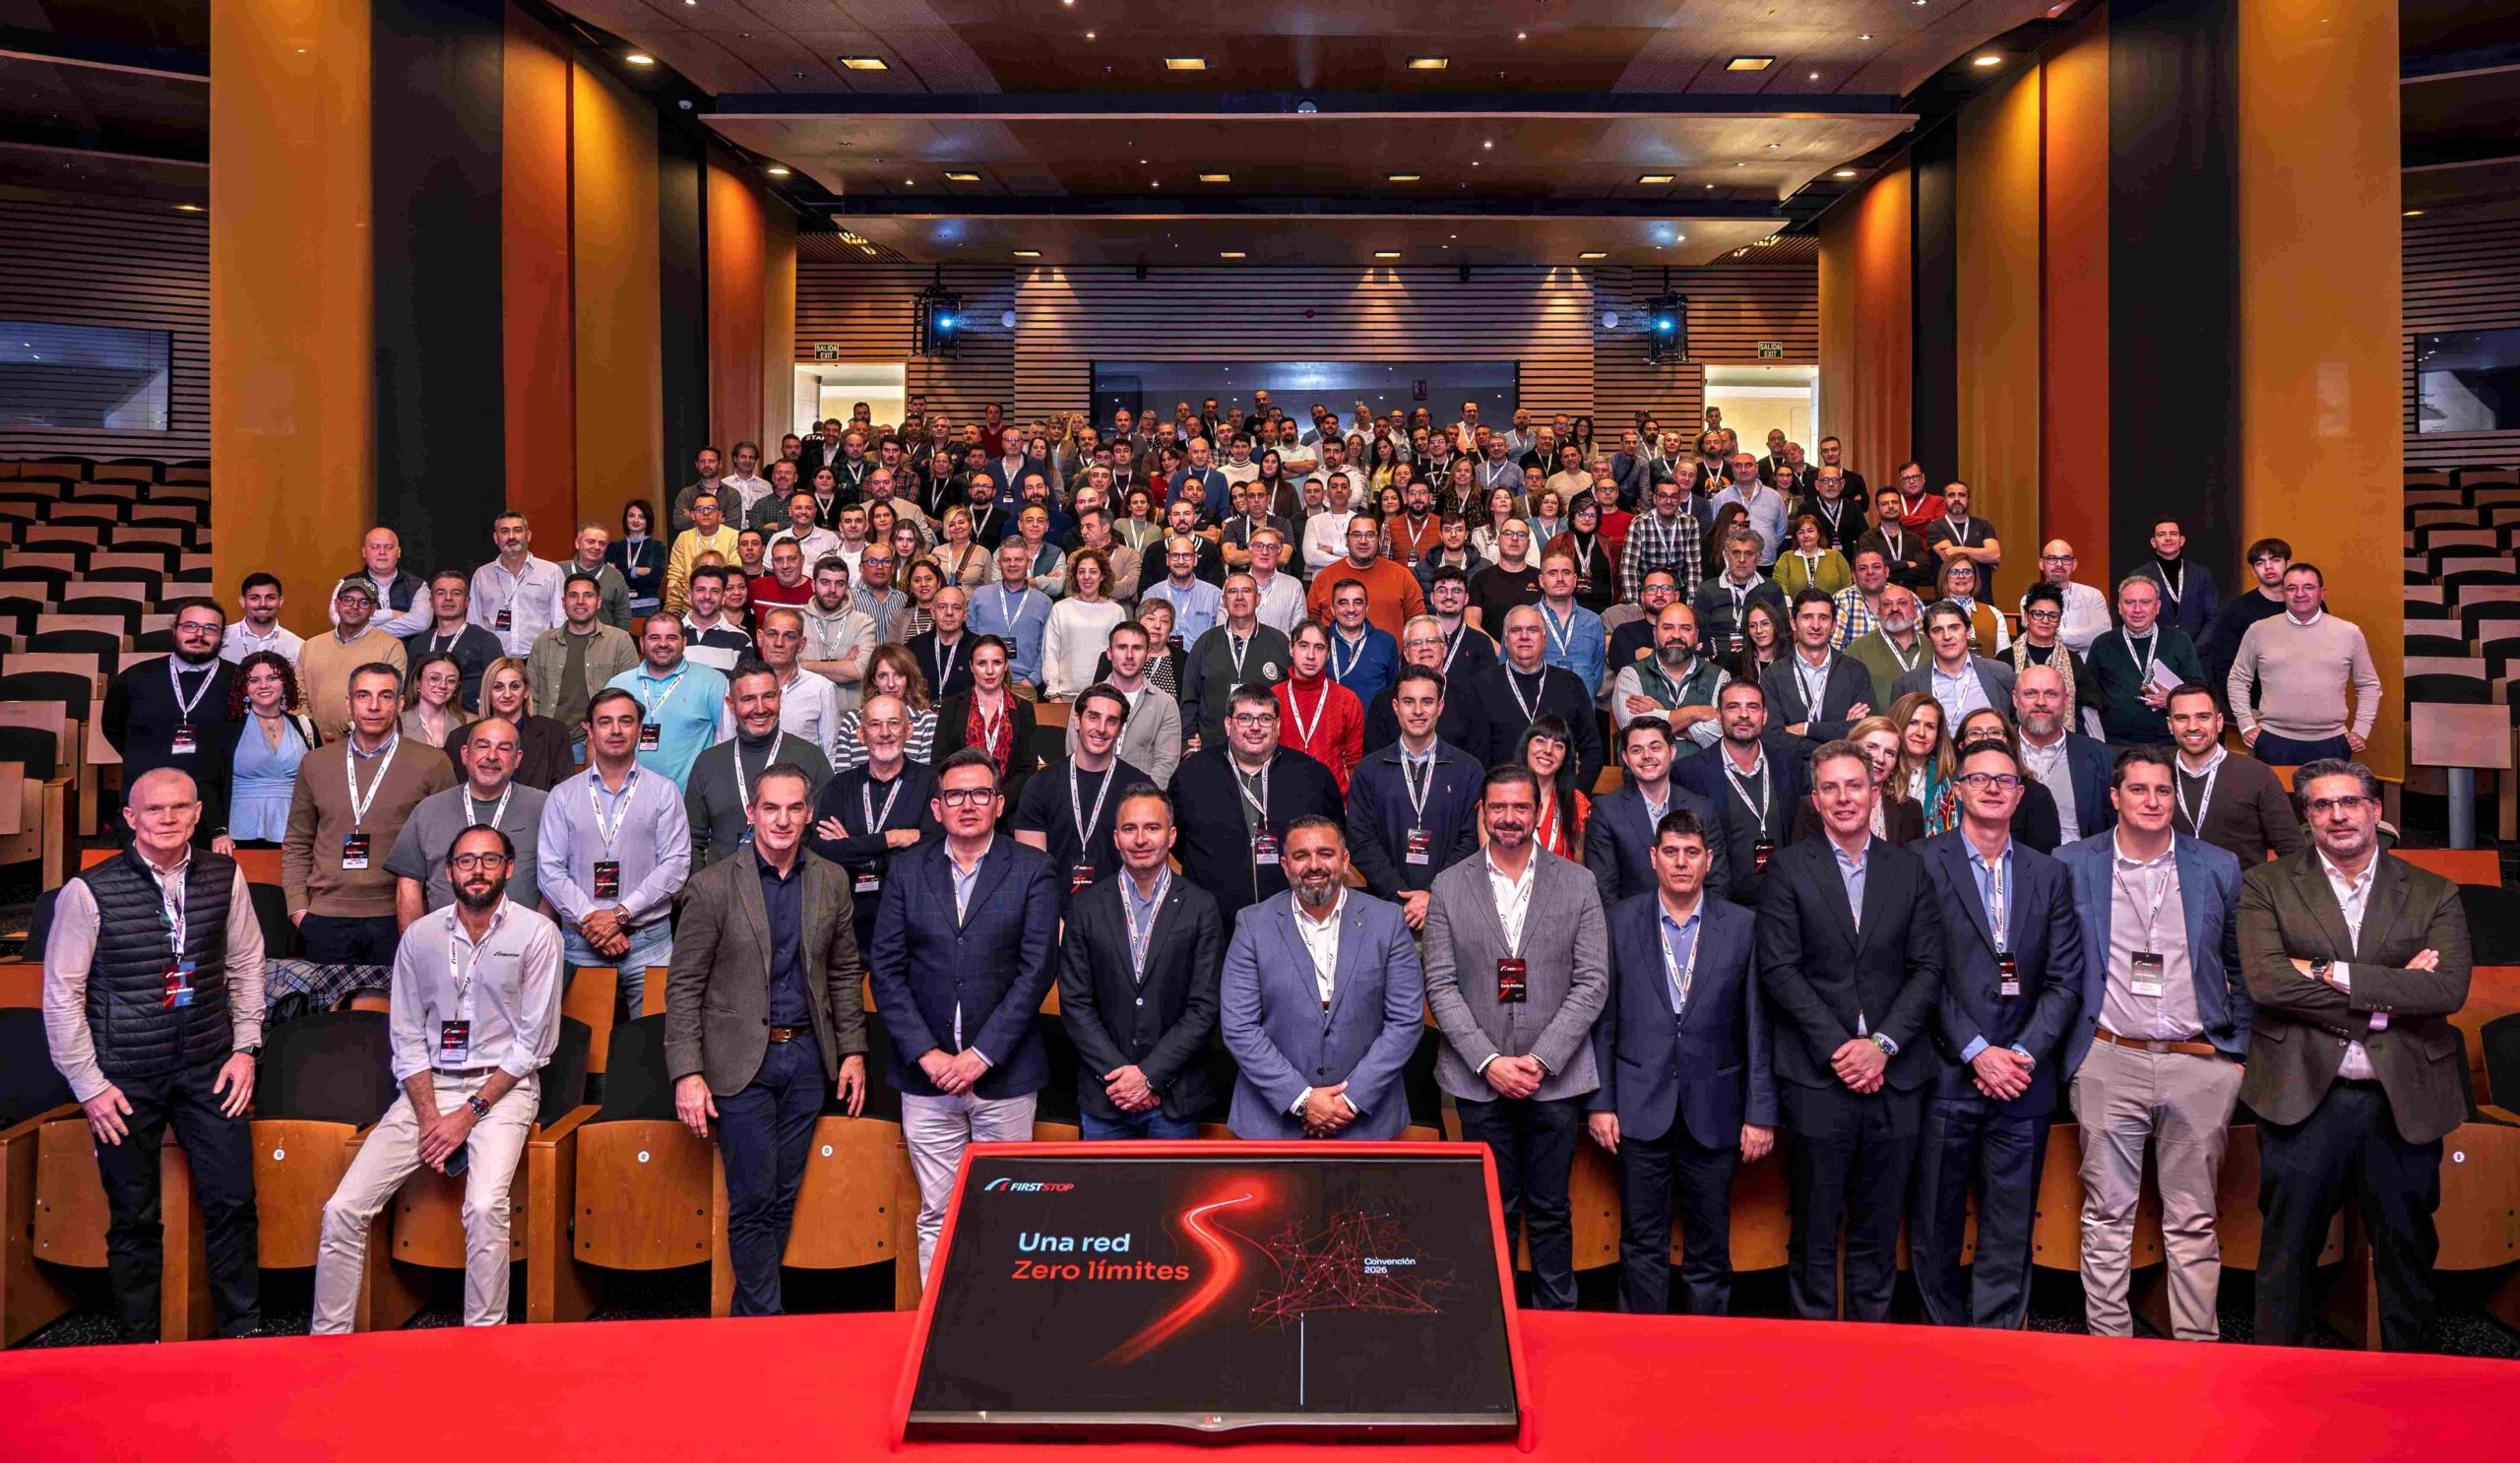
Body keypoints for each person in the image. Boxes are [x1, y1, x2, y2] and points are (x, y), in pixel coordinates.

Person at [2238, 759, 2473, 1353]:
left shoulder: (2433, 891)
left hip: (2404, 1100)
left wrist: (2327, 971)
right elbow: (2268, 984)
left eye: (2349, 802)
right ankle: (2276, 1381)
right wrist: (2391, 994)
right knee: (2287, 1258)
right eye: (2322, 805)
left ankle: (2412, 1385)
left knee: (2407, 1259)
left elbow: (2446, 991)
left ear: (2375, 809)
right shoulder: (2266, 885)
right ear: (2307, 817)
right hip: (2301, 1096)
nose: (2337, 815)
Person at [42, 768, 265, 1342]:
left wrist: (245, 1048)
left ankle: (242, 1335)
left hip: (210, 1066)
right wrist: (89, 1085)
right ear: (130, 817)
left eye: (180, 807)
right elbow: (62, 995)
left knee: (234, 1204)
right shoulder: (88, 891)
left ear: (197, 814)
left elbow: (246, 965)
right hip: (122, 1080)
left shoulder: (226, 876)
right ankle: (137, 1345)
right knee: (134, 1218)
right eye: (154, 809)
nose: (168, 819)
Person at [309, 824, 561, 1332]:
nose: (478, 870)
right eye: (466, 861)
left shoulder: (537, 934)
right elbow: (405, 1034)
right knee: (342, 1208)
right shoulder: (421, 937)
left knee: (485, 1206)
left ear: (509, 868)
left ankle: (483, 1339)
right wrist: (429, 1115)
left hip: (503, 1091)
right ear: (448, 872)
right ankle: (327, 1340)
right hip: (426, 1089)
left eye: (490, 860)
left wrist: (467, 1115)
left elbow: (533, 1043)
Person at [2053, 747, 2248, 1342]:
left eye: (2163, 791)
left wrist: (2235, 1054)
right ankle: (2110, 1347)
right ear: (2115, 797)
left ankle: (2197, 1348)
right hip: (2108, 1057)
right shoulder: (2072, 863)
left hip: (2198, 1062)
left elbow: (2242, 966)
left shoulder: (2216, 866)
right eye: (2138, 790)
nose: (2152, 801)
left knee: (2194, 1219)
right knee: (2106, 1215)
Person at [666, 762, 868, 1316]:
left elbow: (843, 973)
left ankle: (749, 1319)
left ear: (809, 814)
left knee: (782, 1195)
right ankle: (765, 1324)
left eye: (794, 808)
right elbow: (683, 987)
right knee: (754, 1198)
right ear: (751, 813)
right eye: (771, 808)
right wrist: (687, 1073)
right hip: (738, 1064)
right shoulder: (712, 886)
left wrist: (853, 1051)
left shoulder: (831, 880)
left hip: (806, 1060)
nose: (782, 820)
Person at [1757, 738, 1947, 1322]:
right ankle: (1814, 1356)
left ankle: (1873, 1352)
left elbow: (1928, 968)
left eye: (1854, 786)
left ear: (1875, 791)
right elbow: (1779, 970)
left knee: (1877, 1231)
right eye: (1831, 788)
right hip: (1819, 1077)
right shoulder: (1788, 868)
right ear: (1815, 800)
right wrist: (1843, 1049)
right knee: (1813, 1231)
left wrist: (1881, 1046)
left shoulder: (1909, 868)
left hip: (1896, 1076)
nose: (1844, 798)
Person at [1909, 740, 2085, 1330]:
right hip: (1947, 1073)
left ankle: (1998, 1343)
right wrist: (1978, 1052)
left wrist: (2022, 1055)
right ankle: (1942, 1339)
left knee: (2011, 1226)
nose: (1991, 788)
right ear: (1957, 790)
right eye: (1979, 778)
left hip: (2023, 1081)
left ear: (2020, 793)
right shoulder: (1920, 862)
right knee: (1935, 1222)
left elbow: (2065, 980)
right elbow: (1918, 973)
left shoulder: (2049, 872)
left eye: (2004, 780)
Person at [868, 748, 1061, 1281]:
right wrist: (928, 1056)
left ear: (999, 804)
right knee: (938, 1213)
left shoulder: (1033, 870)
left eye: (980, 793)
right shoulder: (907, 871)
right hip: (926, 1079)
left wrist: (980, 1055)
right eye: (955, 795)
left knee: (1008, 1214)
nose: (968, 804)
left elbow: (1036, 973)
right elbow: (886, 972)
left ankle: (1002, 1321)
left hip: (1004, 1075)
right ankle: (941, 1322)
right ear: (937, 808)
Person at [1422, 764, 1610, 1308]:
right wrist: (1489, 1062)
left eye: (1521, 807)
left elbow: (1593, 981)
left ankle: (1558, 1320)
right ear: (1482, 812)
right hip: (1478, 1081)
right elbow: (1440, 984)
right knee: (1490, 1209)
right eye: (1499, 807)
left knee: (1551, 1209)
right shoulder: (1448, 885)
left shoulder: (1578, 882)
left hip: (1555, 1079)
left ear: (1538, 811)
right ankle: (1491, 1320)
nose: (1509, 817)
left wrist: (1541, 1059)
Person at [1587, 806, 1774, 1316]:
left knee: (1709, 1247)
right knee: (1641, 1242)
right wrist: (1600, 1102)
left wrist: (1760, 1112)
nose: (1681, 863)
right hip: (1638, 1107)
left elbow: (1757, 1025)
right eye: (1671, 852)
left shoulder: (1743, 926)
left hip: (1715, 1108)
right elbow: (1605, 1018)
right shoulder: (1619, 921)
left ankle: (1706, 1350)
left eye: (1692, 853)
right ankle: (1642, 1347)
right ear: (1653, 858)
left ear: (1709, 860)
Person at [1218, 817, 1425, 1140]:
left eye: (1326, 853)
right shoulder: (1252, 925)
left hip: (1367, 1124)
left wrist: (1350, 1100)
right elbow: (1239, 1026)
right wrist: (1302, 1100)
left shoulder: (1388, 921)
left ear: (1344, 860)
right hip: (1272, 1126)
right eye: (1301, 856)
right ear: (1285, 866)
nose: (1314, 865)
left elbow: (1406, 1021)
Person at [1056, 784, 1226, 1139]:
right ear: (1116, 838)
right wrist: (1123, 1078)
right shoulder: (1085, 907)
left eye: (1152, 827)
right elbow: (1075, 1003)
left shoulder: (1201, 907)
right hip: (1106, 1095)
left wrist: (1149, 1076)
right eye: (1130, 828)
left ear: (1171, 836)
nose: (1141, 839)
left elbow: (1203, 1007)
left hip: (1174, 1098)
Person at [284, 662, 459, 964]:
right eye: (363, 696)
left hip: (399, 917)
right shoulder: (315, 763)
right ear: (349, 704)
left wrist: (431, 917)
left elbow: (448, 848)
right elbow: (298, 841)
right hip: (325, 917)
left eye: (385, 696)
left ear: (400, 704)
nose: (374, 706)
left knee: (393, 998)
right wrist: (299, 909)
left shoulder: (432, 763)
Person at [537, 689, 692, 1012]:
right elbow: (550, 871)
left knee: (652, 1039)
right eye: (605, 722)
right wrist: (593, 921)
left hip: (648, 941)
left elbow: (676, 865)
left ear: (639, 729)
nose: (616, 730)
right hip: (582, 942)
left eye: (626, 721)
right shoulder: (562, 796)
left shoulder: (665, 792)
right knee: (584, 1042)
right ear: (589, 730)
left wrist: (620, 914)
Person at [1173, 683, 1346, 923]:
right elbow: (1178, 842)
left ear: (1278, 725)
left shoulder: (1313, 776)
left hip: (1294, 920)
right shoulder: (1192, 775)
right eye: (1244, 718)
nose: (1255, 727)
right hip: (1212, 922)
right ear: (1228, 724)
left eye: (1265, 718)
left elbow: (1334, 838)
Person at [1345, 666, 1483, 930]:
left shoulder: (1469, 770)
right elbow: (1360, 842)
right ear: (1396, 707)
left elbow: (1471, 841)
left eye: (1427, 702)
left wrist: (1434, 894)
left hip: (1450, 913)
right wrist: (1403, 897)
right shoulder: (1368, 771)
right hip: (1385, 913)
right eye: (1409, 702)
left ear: (1440, 707)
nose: (1418, 711)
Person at [809, 693, 939, 952]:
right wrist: (893, 838)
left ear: (909, 730)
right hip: (847, 918)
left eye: (894, 723)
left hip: (912, 917)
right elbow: (823, 850)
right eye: (875, 724)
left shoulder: (932, 782)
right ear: (861, 734)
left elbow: (931, 851)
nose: (885, 733)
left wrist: (853, 847)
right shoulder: (840, 786)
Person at [103, 598, 236, 847]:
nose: (199, 634)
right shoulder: (135, 677)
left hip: (213, 811)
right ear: (175, 630)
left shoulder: (239, 680)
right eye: (190, 626)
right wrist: (147, 757)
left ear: (222, 637)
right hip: (146, 803)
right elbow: (112, 727)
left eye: (210, 628)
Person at [387, 717, 546, 924]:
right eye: (483, 746)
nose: (492, 756)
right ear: (465, 754)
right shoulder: (429, 810)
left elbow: (555, 880)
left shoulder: (544, 807)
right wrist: (417, 941)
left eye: (504, 748)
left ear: (517, 759)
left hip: (522, 940)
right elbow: (409, 886)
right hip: (444, 939)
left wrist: (541, 935)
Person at [687, 661, 837, 870]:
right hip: (723, 887)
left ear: (780, 698)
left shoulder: (811, 758)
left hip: (793, 883)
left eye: (768, 696)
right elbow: (692, 841)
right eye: (748, 699)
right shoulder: (708, 763)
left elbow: (826, 838)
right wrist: (702, 886)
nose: (760, 708)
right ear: (731, 704)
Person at [2228, 562, 2381, 765]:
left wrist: (2361, 729)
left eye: (2308, 587)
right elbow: (2238, 679)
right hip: (2272, 740)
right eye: (2292, 588)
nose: (2300, 594)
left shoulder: (2349, 633)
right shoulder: (2259, 630)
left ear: (2321, 593)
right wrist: (2246, 725)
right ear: (2283, 593)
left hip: (2332, 742)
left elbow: (2369, 685)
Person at [1013, 685, 1149, 907]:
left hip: (1122, 914)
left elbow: (1147, 869)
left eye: (1111, 721)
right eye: (1093, 717)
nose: (1101, 729)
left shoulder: (1140, 788)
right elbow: (1031, 869)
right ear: (1077, 720)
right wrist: (1051, 921)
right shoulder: (1040, 785)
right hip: (1055, 914)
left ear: (1120, 730)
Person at [1673, 680, 1803, 910]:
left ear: (1764, 716)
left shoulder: (1789, 764)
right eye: (1733, 707)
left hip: (1783, 904)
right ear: (1718, 715)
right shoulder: (1689, 773)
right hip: (1724, 907)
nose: (1743, 714)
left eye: (1752, 707)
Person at [1586, 715, 1730, 908]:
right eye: (1637, 750)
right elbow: (1605, 888)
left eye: (1655, 748)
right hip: (1632, 922)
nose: (1647, 756)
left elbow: (1717, 883)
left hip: (1697, 921)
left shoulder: (1703, 809)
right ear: (1626, 758)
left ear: (1672, 752)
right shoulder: (1606, 811)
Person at [2164, 683, 2301, 864]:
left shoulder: (2257, 775)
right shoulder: (2156, 773)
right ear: (2170, 725)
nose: (2193, 726)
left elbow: (2291, 850)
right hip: (2172, 881)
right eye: (2182, 718)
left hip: (2242, 882)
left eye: (2203, 717)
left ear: (2219, 722)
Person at [1474, 604, 1605, 788]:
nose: (1524, 636)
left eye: (1532, 630)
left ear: (1545, 639)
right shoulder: (1481, 685)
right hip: (1501, 795)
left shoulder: (1571, 684)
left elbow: (1592, 751)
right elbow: (1474, 755)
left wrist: (1572, 795)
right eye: (1516, 630)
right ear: (1506, 640)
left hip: (1558, 795)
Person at [604, 615, 730, 790]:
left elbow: (727, 742)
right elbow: (599, 742)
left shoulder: (713, 682)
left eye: (671, 637)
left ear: (684, 642)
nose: (662, 644)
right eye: (654, 637)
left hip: (690, 798)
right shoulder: (618, 684)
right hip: (626, 796)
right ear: (642, 643)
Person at [525, 573, 638, 767]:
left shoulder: (620, 641)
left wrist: (598, 734)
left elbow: (631, 696)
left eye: (588, 595)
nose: (580, 601)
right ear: (563, 602)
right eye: (573, 595)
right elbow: (531, 697)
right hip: (547, 741)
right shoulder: (543, 642)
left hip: (596, 742)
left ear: (599, 601)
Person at [213, 651, 319, 850]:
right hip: (237, 835)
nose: (263, 685)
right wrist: (218, 831)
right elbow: (211, 783)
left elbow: (319, 784)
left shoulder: (306, 727)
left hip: (298, 832)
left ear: (285, 682)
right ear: (244, 687)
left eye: (272, 678)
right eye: (254, 680)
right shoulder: (227, 729)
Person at [2085, 575, 2207, 747]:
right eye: (2130, 602)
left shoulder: (2179, 641)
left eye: (2145, 602)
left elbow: (2200, 689)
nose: (2137, 609)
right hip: (2116, 745)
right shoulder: (2102, 643)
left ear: (2157, 607)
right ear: (2120, 607)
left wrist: (2173, 699)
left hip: (2170, 743)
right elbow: (2088, 695)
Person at [930, 634, 1038, 818]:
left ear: (1006, 666)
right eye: (982, 663)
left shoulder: (1023, 709)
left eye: (997, 663)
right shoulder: (951, 707)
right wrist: (968, 800)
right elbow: (940, 762)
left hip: (1008, 812)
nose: (990, 671)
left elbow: (1027, 768)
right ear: (971, 667)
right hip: (962, 808)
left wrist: (996, 803)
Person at [2011, 663, 2115, 844]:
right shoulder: (1996, 751)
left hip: (2077, 859)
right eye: (2030, 694)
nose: (2041, 702)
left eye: (2051, 694)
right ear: (2015, 699)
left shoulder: (2101, 756)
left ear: (2066, 701)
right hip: (2011, 859)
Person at [301, 577, 411, 742]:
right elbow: (298, 697)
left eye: (364, 602)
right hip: (312, 741)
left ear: (373, 609)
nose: (354, 606)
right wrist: (313, 734)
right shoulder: (310, 646)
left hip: (365, 742)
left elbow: (389, 700)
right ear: (337, 604)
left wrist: (347, 736)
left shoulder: (391, 647)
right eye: (348, 600)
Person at [1760, 589, 1874, 747]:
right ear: (1793, 623)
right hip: (1795, 763)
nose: (1815, 626)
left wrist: (1804, 728)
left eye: (1823, 618)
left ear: (1833, 625)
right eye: (1807, 617)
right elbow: (1773, 737)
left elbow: (1866, 730)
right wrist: (1839, 735)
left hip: (1844, 762)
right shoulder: (1773, 676)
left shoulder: (1856, 671)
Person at [1608, 600, 1725, 746]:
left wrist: (1661, 713)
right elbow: (1637, 734)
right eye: (1668, 628)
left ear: (1696, 635)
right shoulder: (1630, 675)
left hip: (1704, 763)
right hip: (1648, 762)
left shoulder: (1719, 676)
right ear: (1655, 633)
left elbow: (1723, 736)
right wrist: (1697, 712)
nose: (1676, 635)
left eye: (1685, 628)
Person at [1276, 619, 1365, 795]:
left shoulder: (1348, 700)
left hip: (1333, 801)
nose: (1311, 655)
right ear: (1291, 649)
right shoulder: (1273, 698)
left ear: (1328, 653)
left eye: (1319, 648)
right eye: (1303, 646)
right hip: (1282, 798)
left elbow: (1355, 762)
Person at [2202, 537, 2294, 705]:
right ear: (2254, 571)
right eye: (2260, 563)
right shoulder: (2237, 611)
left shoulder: (2306, 604)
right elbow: (2224, 667)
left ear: (2288, 564)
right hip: (2258, 707)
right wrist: (2244, 708)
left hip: (2306, 703)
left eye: (2275, 560)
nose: (2268, 566)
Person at [400, 570, 506, 713]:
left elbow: (501, 688)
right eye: (441, 593)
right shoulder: (418, 643)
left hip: (472, 721)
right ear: (431, 601)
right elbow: (409, 692)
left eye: (456, 593)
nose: (448, 598)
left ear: (467, 602)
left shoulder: (486, 641)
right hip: (424, 721)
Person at [746, 607, 842, 761]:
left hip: (805, 775)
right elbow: (725, 744)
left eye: (789, 637)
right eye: (772, 634)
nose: (779, 643)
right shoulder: (739, 687)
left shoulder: (822, 689)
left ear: (801, 644)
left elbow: (831, 753)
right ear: (760, 637)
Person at [470, 510, 566, 659]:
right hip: (494, 662)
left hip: (538, 661)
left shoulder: (551, 572)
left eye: (517, 530)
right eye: (504, 531)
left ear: (528, 535)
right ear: (496, 538)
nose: (511, 537)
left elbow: (560, 623)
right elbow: (474, 624)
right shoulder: (482, 575)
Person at [967, 538, 1053, 694]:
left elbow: (1047, 647)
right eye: (1006, 560)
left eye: (1018, 559)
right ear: (999, 564)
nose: (1012, 564)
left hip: (1024, 685)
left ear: (1028, 563)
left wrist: (1032, 680)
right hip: (983, 682)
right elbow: (968, 640)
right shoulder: (980, 596)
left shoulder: (1044, 602)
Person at [1041, 547, 1127, 700]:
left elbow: (1121, 655)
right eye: (1081, 572)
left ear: (1102, 575)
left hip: (1105, 695)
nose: (1087, 577)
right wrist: (1053, 693)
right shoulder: (1060, 609)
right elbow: (1050, 653)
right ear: (1075, 576)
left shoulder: (1116, 611)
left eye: (1093, 572)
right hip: (1066, 694)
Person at [1692, 527, 1787, 664]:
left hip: (1762, 665)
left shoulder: (1772, 589)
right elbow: (1697, 635)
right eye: (1736, 553)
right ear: (1726, 555)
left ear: (1759, 557)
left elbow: (1785, 634)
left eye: (1749, 553)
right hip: (1716, 665)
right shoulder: (1707, 590)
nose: (1742, 559)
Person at [2132, 518, 2219, 647]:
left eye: (2173, 534)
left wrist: (2194, 650)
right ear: (2153, 542)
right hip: (2154, 651)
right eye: (2161, 534)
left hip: (2197, 652)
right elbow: (2135, 618)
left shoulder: (2202, 575)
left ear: (2181, 540)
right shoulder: (2138, 576)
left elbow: (2212, 618)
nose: (2168, 538)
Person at [340, 525, 432, 639]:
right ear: (364, 552)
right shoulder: (347, 583)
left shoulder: (418, 585)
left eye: (389, 547)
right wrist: (392, 614)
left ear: (398, 552)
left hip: (404, 650)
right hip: (358, 649)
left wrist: (369, 634)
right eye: (375, 547)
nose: (382, 552)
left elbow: (421, 622)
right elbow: (339, 619)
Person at [663, 488, 741, 617]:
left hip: (722, 597)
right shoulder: (684, 537)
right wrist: (673, 601)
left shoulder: (734, 536)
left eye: (711, 509)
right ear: (693, 515)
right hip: (687, 596)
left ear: (720, 515)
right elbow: (675, 574)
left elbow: (734, 573)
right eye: (700, 509)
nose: (706, 513)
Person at [1620, 478, 1703, 599]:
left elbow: (1694, 567)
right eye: (1663, 496)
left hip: (1678, 591)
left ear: (1680, 500)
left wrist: (1692, 603)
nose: (1668, 501)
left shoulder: (1690, 523)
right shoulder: (1639, 524)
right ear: (1655, 499)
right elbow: (1628, 568)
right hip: (1648, 592)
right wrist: (1634, 604)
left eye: (1674, 497)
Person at [1855, 486, 1936, 596]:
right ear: (1877, 510)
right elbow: (1872, 569)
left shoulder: (1914, 538)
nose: (1891, 506)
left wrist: (1887, 571)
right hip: (1879, 596)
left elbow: (1924, 569)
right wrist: (1906, 564)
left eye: (1894, 502)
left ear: (1900, 507)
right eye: (1884, 504)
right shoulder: (1868, 538)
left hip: (1909, 596)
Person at [562, 520, 635, 632]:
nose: (597, 547)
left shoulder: (615, 576)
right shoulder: (558, 571)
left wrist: (621, 641)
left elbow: (623, 619)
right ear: (577, 543)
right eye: (590, 541)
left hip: (605, 641)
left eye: (602, 543)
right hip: (563, 640)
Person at [1922, 480, 2001, 575]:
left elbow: (1995, 555)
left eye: (1962, 495)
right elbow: (1949, 556)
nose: (1956, 499)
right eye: (1951, 495)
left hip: (1981, 584)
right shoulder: (1935, 526)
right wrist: (1984, 557)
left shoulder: (1983, 525)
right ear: (1944, 500)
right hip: (1949, 584)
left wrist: (1958, 549)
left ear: (1968, 500)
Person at [399, 652, 472, 750]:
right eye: (434, 678)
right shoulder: (397, 723)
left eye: (451, 681)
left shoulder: (469, 723)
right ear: (418, 682)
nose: (443, 685)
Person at [607, 499, 667, 618]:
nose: (635, 520)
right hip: (618, 606)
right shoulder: (614, 547)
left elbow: (654, 580)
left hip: (648, 607)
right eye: (631, 516)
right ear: (625, 519)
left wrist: (620, 572)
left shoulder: (657, 547)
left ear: (648, 520)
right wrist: (636, 571)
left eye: (641, 517)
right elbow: (610, 578)